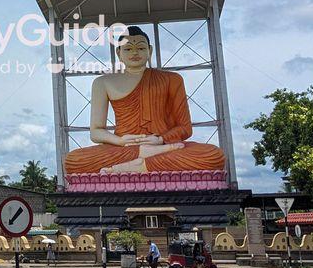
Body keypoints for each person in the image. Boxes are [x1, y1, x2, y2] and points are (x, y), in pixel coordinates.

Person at [64, 27, 226, 174]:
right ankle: (147, 158)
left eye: (141, 48)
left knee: (213, 155)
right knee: (73, 160)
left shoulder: (172, 79)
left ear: (150, 51)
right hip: (124, 148)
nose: (135, 52)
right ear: (118, 53)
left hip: (162, 145)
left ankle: (134, 166)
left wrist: (161, 140)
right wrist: (119, 141)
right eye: (128, 48)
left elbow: (185, 128)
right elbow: (96, 131)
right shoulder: (103, 83)